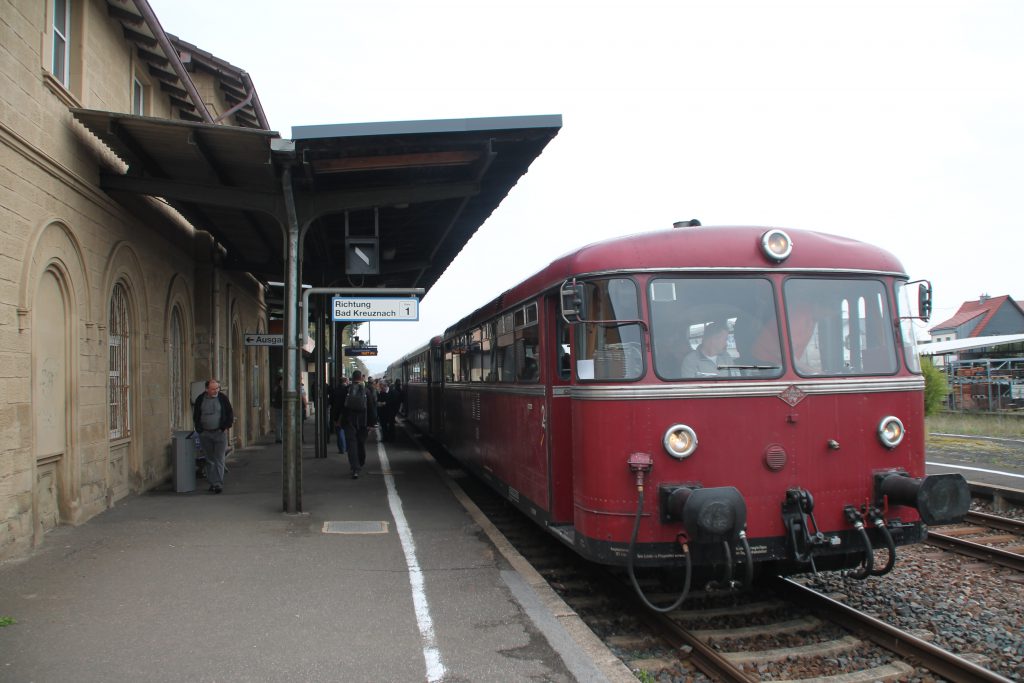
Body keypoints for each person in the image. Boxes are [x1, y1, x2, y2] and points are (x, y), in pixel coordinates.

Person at [192, 378, 234, 493]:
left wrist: (225, 427)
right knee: (209, 459)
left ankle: (218, 483)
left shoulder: (222, 398)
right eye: (213, 389)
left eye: (217, 388)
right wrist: (199, 429)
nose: (216, 391)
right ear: (207, 389)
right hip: (205, 433)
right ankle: (212, 482)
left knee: (219, 458)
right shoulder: (200, 399)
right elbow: (196, 415)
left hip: (219, 433)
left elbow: (230, 413)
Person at [341, 370, 369, 479]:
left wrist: (336, 419)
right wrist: (372, 422)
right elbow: (371, 406)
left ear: (352, 378)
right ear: (361, 378)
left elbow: (339, 405)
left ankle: (355, 467)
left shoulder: (346, 390)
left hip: (349, 421)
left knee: (352, 445)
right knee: (361, 443)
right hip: (363, 422)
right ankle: (361, 462)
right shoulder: (366, 391)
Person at [270, 375, 283, 443]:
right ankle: (279, 438)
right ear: (281, 381)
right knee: (279, 423)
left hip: (277, 407)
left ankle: (279, 437)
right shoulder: (280, 389)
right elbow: (280, 399)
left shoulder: (276, 388)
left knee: (279, 423)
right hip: (280, 407)